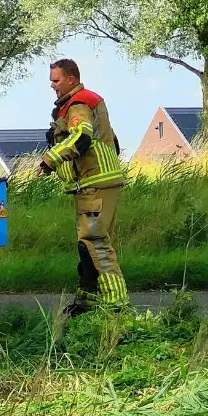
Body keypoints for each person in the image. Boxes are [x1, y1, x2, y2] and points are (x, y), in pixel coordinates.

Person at [42, 59, 127, 314]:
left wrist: (50, 160)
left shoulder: (78, 105)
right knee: (87, 246)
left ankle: (116, 306)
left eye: (55, 80)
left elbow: (81, 136)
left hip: (94, 183)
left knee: (95, 242)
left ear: (71, 79)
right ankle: (87, 303)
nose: (52, 86)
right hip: (95, 183)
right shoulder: (87, 101)